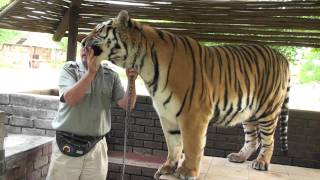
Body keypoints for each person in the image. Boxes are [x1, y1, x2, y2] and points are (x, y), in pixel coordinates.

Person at [46, 37, 138, 180]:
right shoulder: (70, 69)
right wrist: (91, 73)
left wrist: (131, 80)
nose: (86, 50)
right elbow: (70, 99)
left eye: (92, 47)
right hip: (67, 143)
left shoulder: (110, 75)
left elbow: (128, 105)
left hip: (97, 147)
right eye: (84, 46)